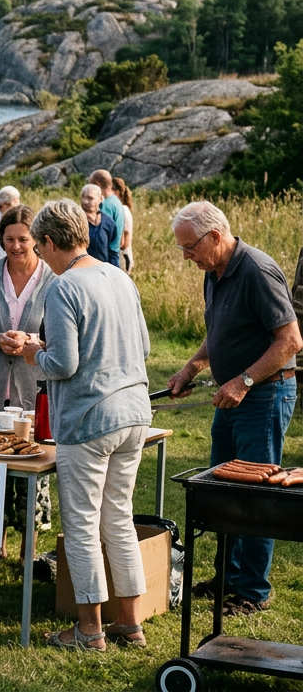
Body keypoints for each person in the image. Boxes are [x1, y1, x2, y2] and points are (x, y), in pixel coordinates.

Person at [18, 199, 153, 650]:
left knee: (81, 525)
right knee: (119, 519)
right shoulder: (120, 277)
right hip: (134, 412)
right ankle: (130, 624)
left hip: (90, 418)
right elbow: (144, 347)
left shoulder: (63, 287)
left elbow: (63, 364)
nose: (39, 257)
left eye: (38, 248)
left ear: (49, 242)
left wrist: (34, 353)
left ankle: (89, 630)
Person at [166, 201, 302, 616]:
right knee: (222, 489)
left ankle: (253, 591)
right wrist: (192, 366)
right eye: (182, 248)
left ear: (215, 236)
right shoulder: (214, 272)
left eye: (190, 247)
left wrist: (243, 381)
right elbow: (219, 331)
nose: (185, 256)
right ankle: (227, 576)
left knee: (256, 494)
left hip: (264, 396)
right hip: (234, 397)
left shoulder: (257, 271)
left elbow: (291, 341)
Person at [0, 204, 55, 566]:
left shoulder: (53, 280)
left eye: (23, 239)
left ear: (37, 240)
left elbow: (62, 337)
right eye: (9, 239)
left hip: (34, 390)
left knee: (33, 471)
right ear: (0, 239)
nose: (16, 246)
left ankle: (28, 551)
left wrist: (31, 340)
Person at [88, 169, 125, 265]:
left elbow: (100, 234)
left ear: (96, 184)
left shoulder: (106, 205)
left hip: (106, 257)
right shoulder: (116, 201)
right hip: (114, 253)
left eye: (90, 185)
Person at [80, 184, 119, 267]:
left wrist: (115, 272)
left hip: (102, 270)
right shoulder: (76, 221)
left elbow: (113, 253)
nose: (85, 202)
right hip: (81, 269)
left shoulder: (108, 223)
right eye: (83, 197)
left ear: (100, 199)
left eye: (90, 198)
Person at [113, 177, 135, 273]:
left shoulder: (122, 210)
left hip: (122, 257)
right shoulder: (122, 208)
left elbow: (124, 240)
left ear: (116, 193)